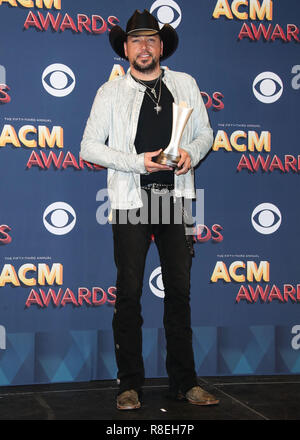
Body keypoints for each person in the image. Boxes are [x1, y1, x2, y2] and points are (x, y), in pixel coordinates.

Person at [80, 9, 219, 410]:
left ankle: (185, 382)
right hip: (129, 201)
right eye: (137, 40)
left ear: (162, 47)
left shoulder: (185, 84)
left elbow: (206, 132)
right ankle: (130, 385)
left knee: (179, 293)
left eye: (151, 40)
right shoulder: (110, 92)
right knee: (129, 293)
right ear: (125, 49)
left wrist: (192, 151)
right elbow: (88, 147)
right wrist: (138, 162)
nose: (144, 47)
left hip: (175, 200)